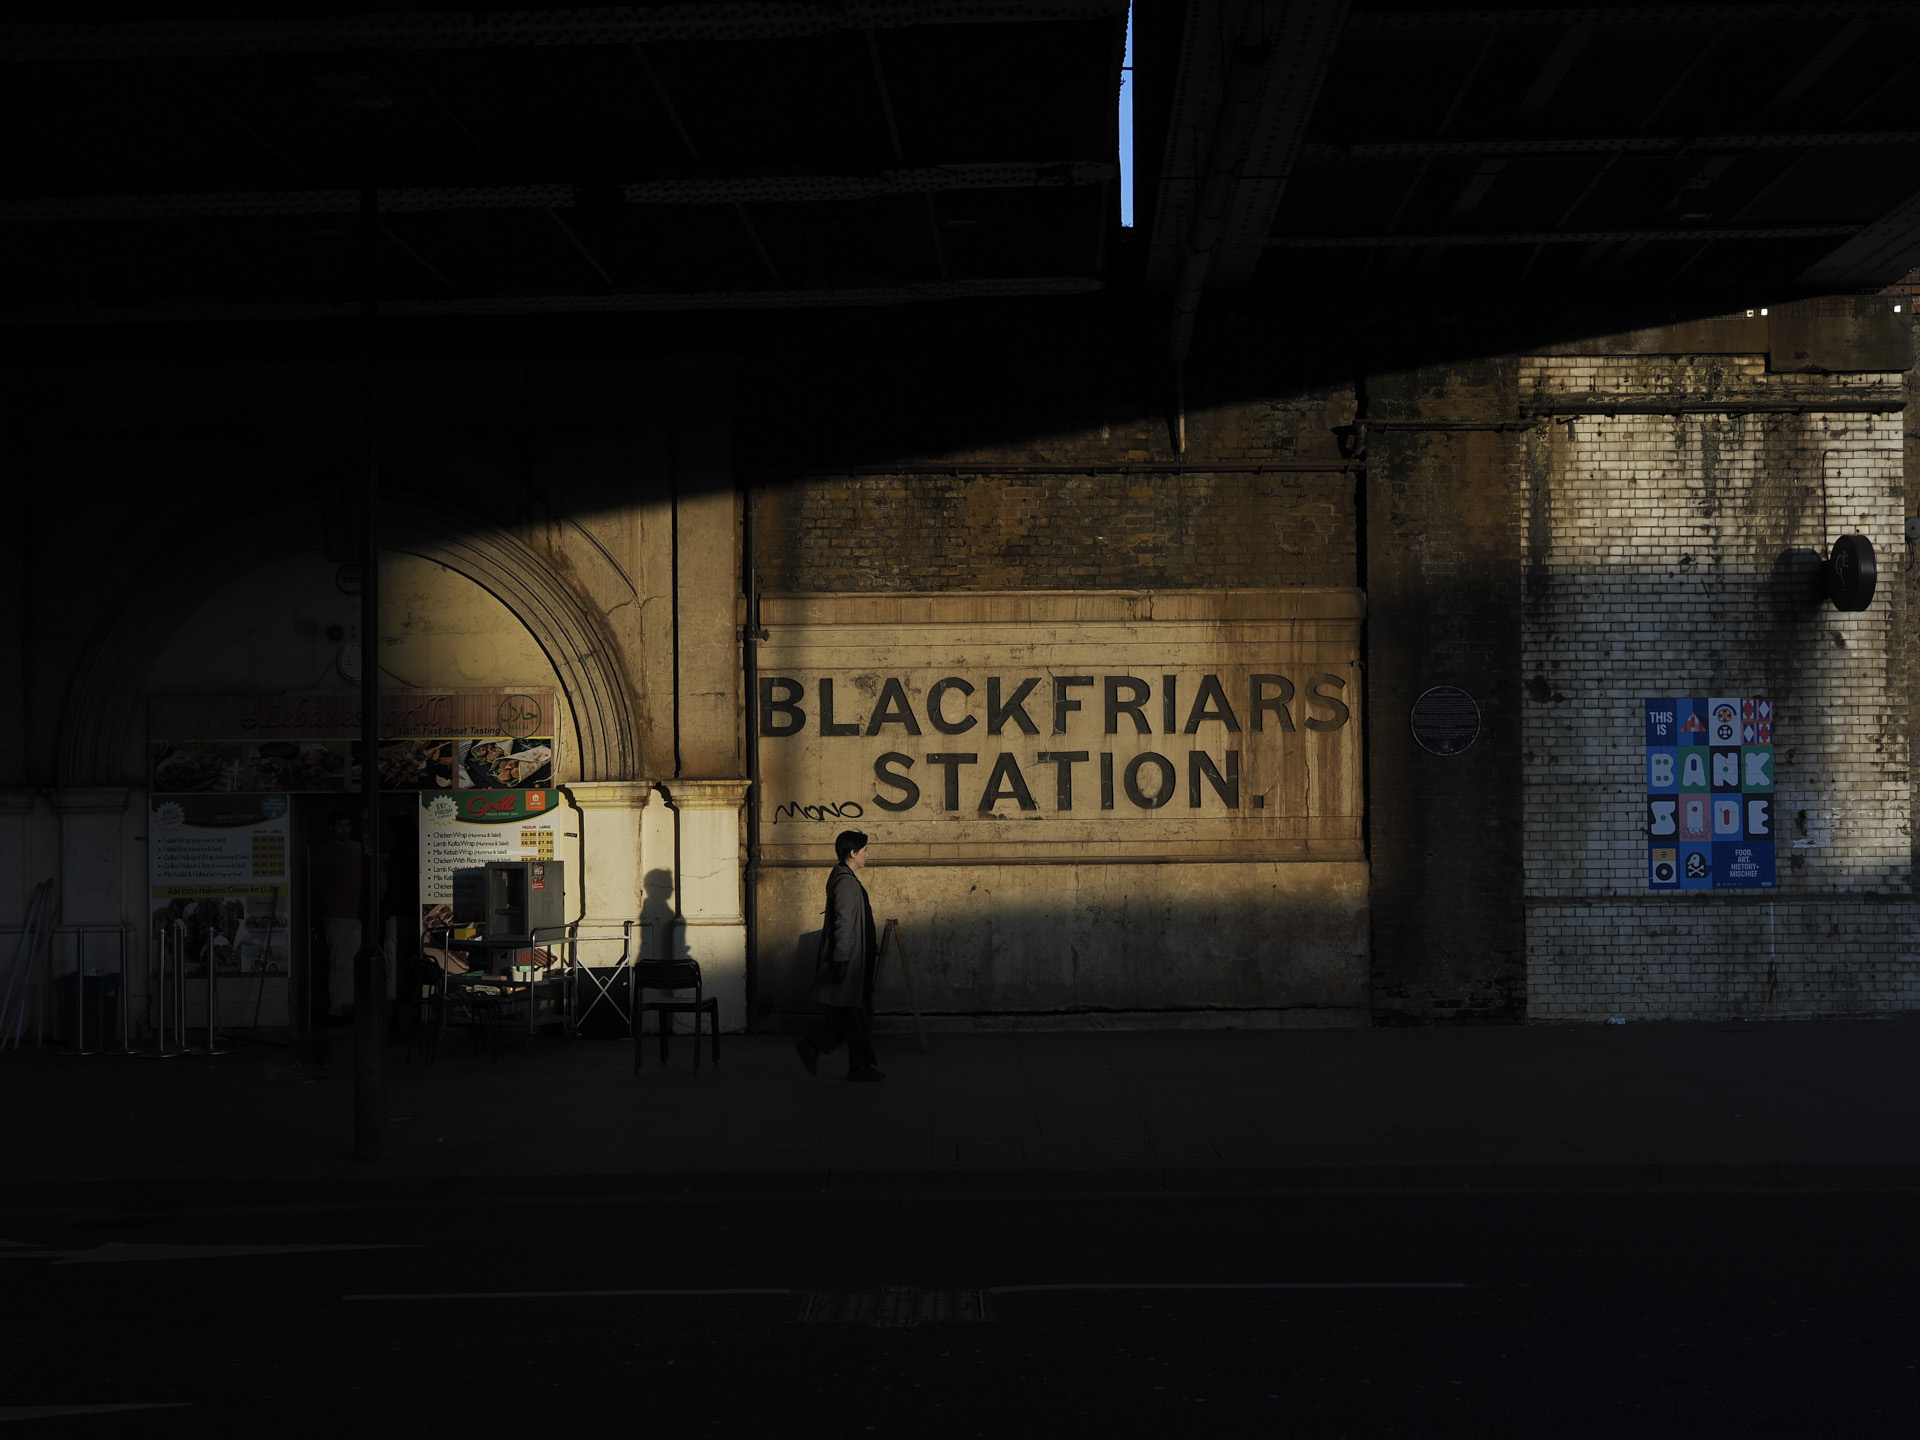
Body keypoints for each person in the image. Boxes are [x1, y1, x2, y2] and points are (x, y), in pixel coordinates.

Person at [796, 829, 884, 1082]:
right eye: (864, 850)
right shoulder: (846, 882)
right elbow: (844, 924)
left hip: (853, 959)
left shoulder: (843, 876)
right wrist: (843, 961)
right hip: (852, 962)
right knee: (854, 1016)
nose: (868, 854)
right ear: (853, 853)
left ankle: (849, 1062)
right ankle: (822, 1051)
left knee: (849, 1016)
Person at [311, 810, 363, 1019]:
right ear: (331, 828)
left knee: (350, 963)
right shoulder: (324, 852)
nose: (345, 829)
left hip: (355, 914)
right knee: (340, 963)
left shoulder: (358, 850)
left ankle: (348, 1005)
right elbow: (316, 882)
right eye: (341, 825)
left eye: (348, 825)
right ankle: (339, 1007)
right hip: (337, 914)